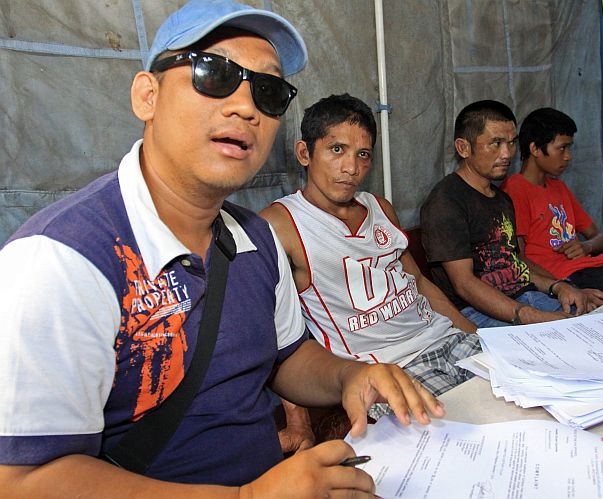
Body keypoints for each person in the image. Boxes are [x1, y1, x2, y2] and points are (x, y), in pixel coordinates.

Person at [0, 2, 444, 497]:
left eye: (269, 91)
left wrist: (349, 376)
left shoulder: (254, 237)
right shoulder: (61, 259)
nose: (246, 106)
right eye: (213, 73)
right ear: (147, 96)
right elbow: (23, 479)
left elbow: (287, 356)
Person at [260, 94, 480, 450]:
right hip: (391, 367)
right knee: (469, 445)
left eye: (362, 154)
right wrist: (298, 423)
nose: (351, 167)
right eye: (336, 150)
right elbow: (273, 333)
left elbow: (419, 283)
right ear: (305, 154)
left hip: (448, 340)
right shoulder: (280, 225)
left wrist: (478, 337)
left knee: (537, 406)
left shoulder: (379, 207)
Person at [420, 100, 603, 329]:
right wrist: (529, 316)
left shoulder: (501, 199)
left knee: (599, 322)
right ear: (463, 148)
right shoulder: (446, 201)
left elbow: (515, 263)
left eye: (511, 143)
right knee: (575, 337)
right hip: (477, 312)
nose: (507, 153)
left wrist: (559, 287)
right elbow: (465, 284)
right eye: (496, 143)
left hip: (523, 298)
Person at [500, 107, 603, 297]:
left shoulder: (559, 188)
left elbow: (600, 237)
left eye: (569, 148)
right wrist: (560, 287)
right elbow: (517, 257)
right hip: (568, 280)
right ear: (535, 148)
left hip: (599, 269)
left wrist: (587, 246)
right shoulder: (515, 189)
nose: (568, 156)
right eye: (562, 148)